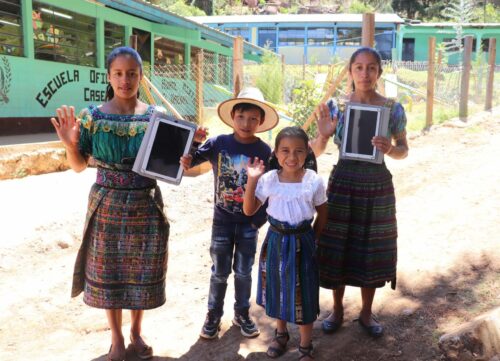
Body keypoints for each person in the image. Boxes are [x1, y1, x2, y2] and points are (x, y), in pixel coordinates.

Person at [50, 46, 177, 361]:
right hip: (107, 204)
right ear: (109, 76)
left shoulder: (155, 117)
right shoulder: (93, 116)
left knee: (141, 273)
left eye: (132, 74)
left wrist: (186, 150)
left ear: (140, 76)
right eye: (119, 74)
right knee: (109, 272)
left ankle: (136, 331)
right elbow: (79, 165)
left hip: (145, 203)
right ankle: (117, 338)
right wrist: (69, 144)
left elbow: (170, 163)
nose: (125, 80)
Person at [310, 47, 409, 338]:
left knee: (372, 247)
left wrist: (390, 149)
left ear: (379, 72)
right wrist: (324, 135)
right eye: (359, 68)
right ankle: (337, 309)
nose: (365, 74)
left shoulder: (393, 108)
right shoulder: (336, 106)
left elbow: (404, 150)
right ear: (350, 71)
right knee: (336, 245)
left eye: (371, 68)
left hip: (377, 185)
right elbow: (314, 153)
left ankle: (366, 313)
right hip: (343, 182)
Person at [180, 87, 279, 340]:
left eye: (254, 119)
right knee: (219, 272)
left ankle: (242, 313)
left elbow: (269, 191)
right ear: (233, 116)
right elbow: (188, 161)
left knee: (244, 271)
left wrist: (258, 220)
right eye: (242, 117)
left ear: (261, 122)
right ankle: (213, 314)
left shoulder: (266, 152)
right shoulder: (218, 144)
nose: (247, 123)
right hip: (221, 223)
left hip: (249, 225)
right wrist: (195, 142)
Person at [243, 126, 328, 361]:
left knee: (305, 292)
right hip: (276, 241)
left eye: (299, 151)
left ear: (307, 152)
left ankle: (305, 346)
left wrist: (315, 239)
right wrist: (252, 180)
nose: (292, 157)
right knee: (277, 288)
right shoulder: (269, 179)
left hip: (303, 241)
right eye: (285, 151)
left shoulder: (313, 181)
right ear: (276, 153)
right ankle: (280, 335)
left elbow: (323, 213)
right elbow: (249, 209)